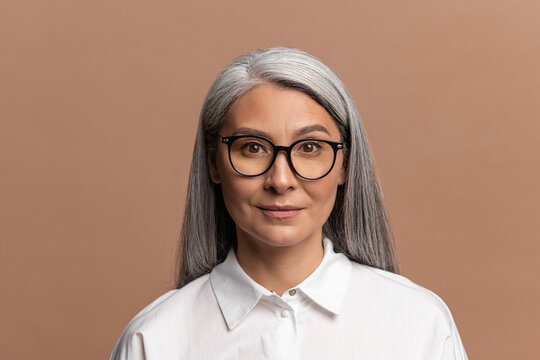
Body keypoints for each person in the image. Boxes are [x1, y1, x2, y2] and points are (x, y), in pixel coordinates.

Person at [110, 47, 468, 359]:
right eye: (252, 147)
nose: (281, 180)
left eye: (310, 148)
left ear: (345, 165)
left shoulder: (420, 322)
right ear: (213, 164)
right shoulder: (153, 339)